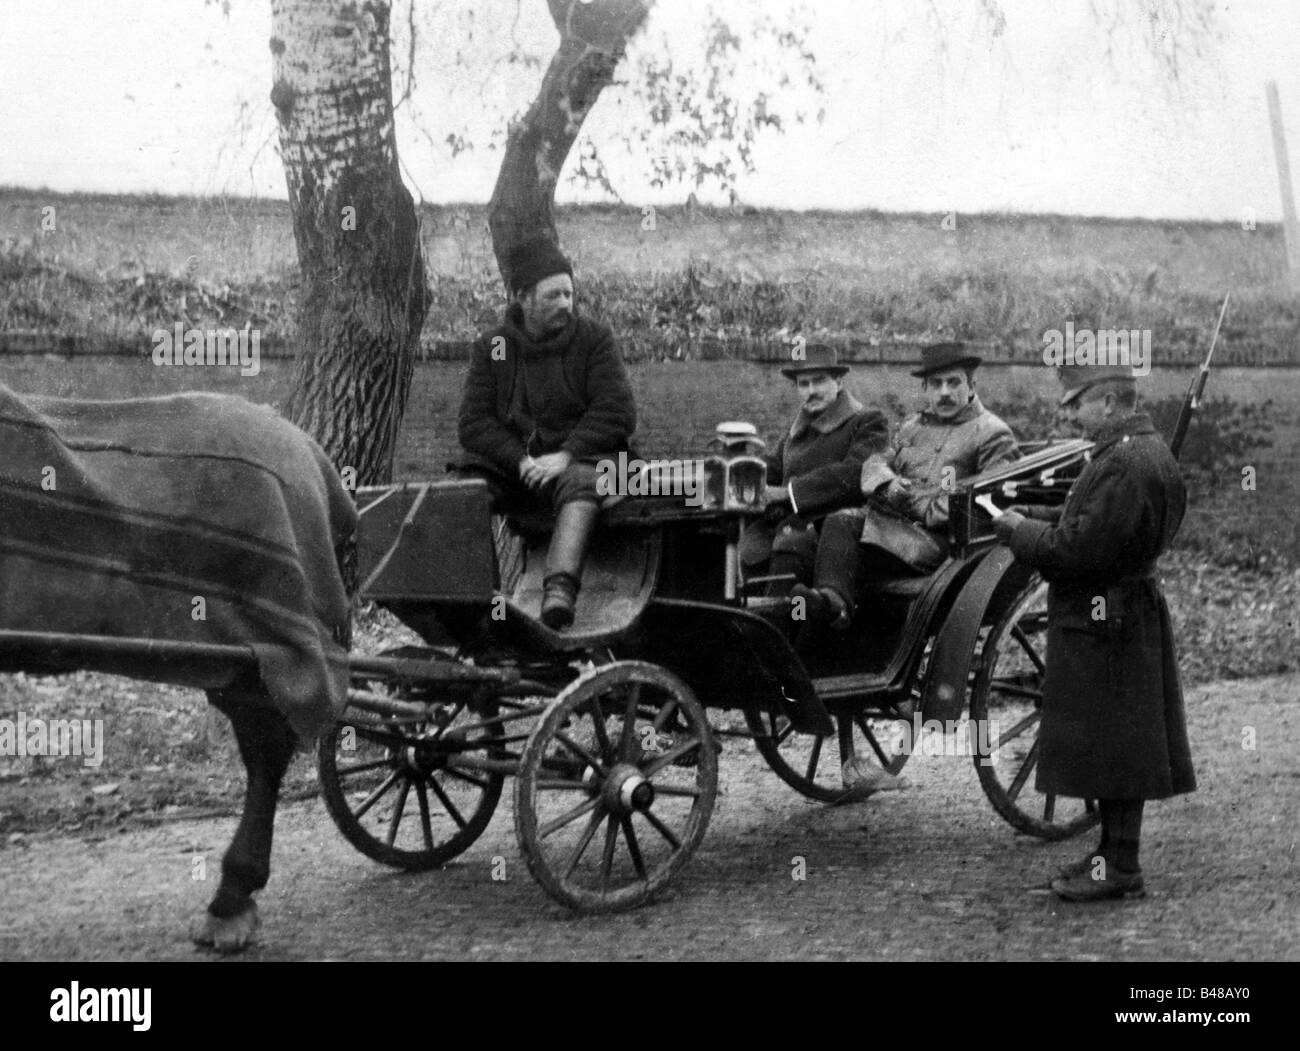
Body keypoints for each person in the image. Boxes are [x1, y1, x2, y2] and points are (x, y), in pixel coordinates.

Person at [992, 362, 1195, 902]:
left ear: (1107, 403)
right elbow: (1093, 520)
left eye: (1075, 403)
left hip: (1108, 622)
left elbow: (1080, 551)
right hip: (1125, 616)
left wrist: (1021, 533)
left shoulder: (1125, 461)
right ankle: (1111, 855)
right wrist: (1036, 514)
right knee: (1118, 745)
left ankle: (1121, 865)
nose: (1068, 413)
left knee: (1118, 746)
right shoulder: (1142, 452)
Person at [457, 237, 636, 629]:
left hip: (599, 468)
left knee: (580, 480)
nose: (565, 305)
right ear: (523, 297)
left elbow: (617, 411)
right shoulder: (495, 348)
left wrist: (566, 454)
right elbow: (474, 423)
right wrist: (519, 460)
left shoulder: (594, 340)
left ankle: (558, 594)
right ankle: (481, 605)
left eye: (569, 294)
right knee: (467, 488)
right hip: (524, 470)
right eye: (553, 295)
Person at [797, 341, 1017, 629]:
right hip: (897, 532)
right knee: (802, 541)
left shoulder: (992, 433)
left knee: (843, 522)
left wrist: (908, 501)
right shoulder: (914, 426)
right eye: (936, 384)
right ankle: (805, 627)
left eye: (954, 383)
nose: (945, 393)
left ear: (972, 385)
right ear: (925, 388)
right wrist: (886, 484)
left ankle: (834, 608)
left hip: (943, 546)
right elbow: (875, 462)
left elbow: (983, 502)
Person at [739, 344, 890, 591]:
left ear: (838, 382)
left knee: (788, 559)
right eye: (803, 384)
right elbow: (774, 465)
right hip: (784, 530)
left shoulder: (868, 421)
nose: (810, 391)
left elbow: (855, 474)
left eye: (818, 381)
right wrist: (737, 473)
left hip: (832, 538)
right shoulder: (798, 429)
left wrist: (788, 493)